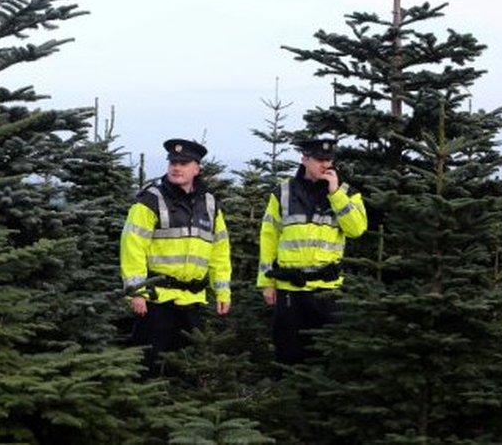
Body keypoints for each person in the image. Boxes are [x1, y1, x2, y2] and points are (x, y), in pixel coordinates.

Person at [120, 138, 232, 378]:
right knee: (147, 366)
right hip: (157, 299)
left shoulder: (210, 204)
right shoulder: (150, 199)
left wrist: (222, 292)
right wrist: (136, 291)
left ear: (197, 168)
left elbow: (220, 251)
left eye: (184, 162)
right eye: (173, 162)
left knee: (186, 368)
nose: (176, 167)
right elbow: (132, 246)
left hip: (192, 299)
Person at [257, 137, 367, 367]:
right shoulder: (283, 192)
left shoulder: (347, 192)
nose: (325, 165)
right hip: (290, 288)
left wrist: (335, 194)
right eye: (319, 160)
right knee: (288, 354)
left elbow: (357, 229)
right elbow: (269, 238)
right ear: (304, 159)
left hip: (327, 290)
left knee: (327, 357)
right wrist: (266, 282)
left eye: (329, 160)